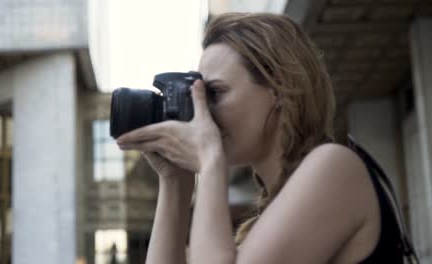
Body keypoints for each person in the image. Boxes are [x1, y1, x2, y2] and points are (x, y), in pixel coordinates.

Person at [117, 13, 405, 263]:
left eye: (214, 93)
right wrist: (175, 182)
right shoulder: (266, 223)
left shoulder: (335, 166)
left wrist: (209, 159)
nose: (201, 111)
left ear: (280, 88)